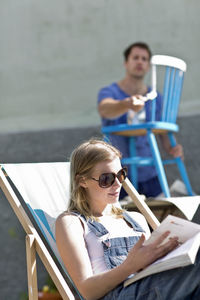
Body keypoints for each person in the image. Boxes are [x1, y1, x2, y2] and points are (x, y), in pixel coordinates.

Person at [56, 139, 200, 300]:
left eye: (121, 175)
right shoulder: (72, 222)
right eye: (107, 179)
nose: (117, 184)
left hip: (148, 288)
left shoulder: (135, 219)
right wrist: (131, 266)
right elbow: (87, 291)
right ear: (82, 181)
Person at [97, 42, 184, 198]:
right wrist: (126, 103)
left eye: (144, 59)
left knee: (165, 212)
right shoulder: (109, 91)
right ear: (126, 63)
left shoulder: (156, 96)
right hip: (119, 174)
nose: (140, 62)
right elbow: (104, 108)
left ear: (149, 66)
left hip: (150, 171)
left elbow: (163, 133)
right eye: (135, 57)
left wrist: (172, 148)